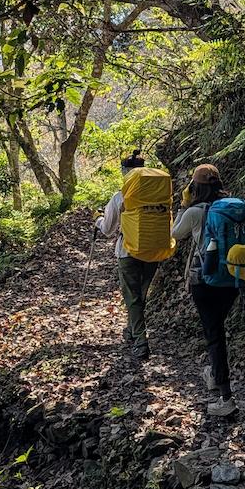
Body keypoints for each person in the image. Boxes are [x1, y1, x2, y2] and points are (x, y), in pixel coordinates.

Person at [172, 163, 244, 420]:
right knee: (218, 328)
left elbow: (174, 234)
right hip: (233, 278)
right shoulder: (233, 207)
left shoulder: (194, 211)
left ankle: (225, 397)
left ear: (195, 187)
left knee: (214, 335)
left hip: (204, 281)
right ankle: (215, 374)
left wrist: (182, 205)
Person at [96, 151, 163, 361]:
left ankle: (141, 342)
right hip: (153, 249)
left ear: (126, 173)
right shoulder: (158, 194)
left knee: (132, 297)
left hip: (127, 251)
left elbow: (107, 228)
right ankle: (131, 330)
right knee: (140, 294)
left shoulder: (120, 196)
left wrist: (98, 219)